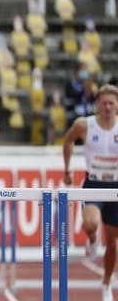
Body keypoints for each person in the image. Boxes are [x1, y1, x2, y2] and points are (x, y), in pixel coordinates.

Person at [62, 84, 118, 301]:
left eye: (111, 103)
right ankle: (92, 238)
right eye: (103, 103)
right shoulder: (84, 124)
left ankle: (106, 283)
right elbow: (67, 141)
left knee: (113, 243)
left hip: (115, 188)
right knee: (91, 224)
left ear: (117, 105)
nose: (107, 107)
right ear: (97, 104)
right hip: (94, 184)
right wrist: (67, 168)